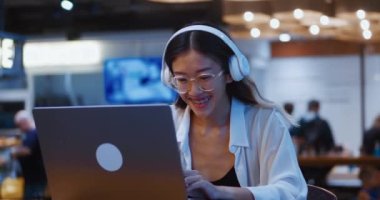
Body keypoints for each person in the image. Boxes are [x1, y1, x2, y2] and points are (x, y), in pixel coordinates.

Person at [161, 22, 307, 199]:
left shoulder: (263, 122)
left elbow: (292, 190)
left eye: (205, 77)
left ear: (232, 72)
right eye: (182, 80)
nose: (194, 91)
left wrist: (221, 192)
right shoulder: (164, 123)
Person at [13, 110, 48, 199]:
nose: (19, 128)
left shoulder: (34, 133)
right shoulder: (31, 134)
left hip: (36, 178)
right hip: (32, 178)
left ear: (24, 121)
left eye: (19, 124)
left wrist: (13, 152)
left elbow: (27, 150)